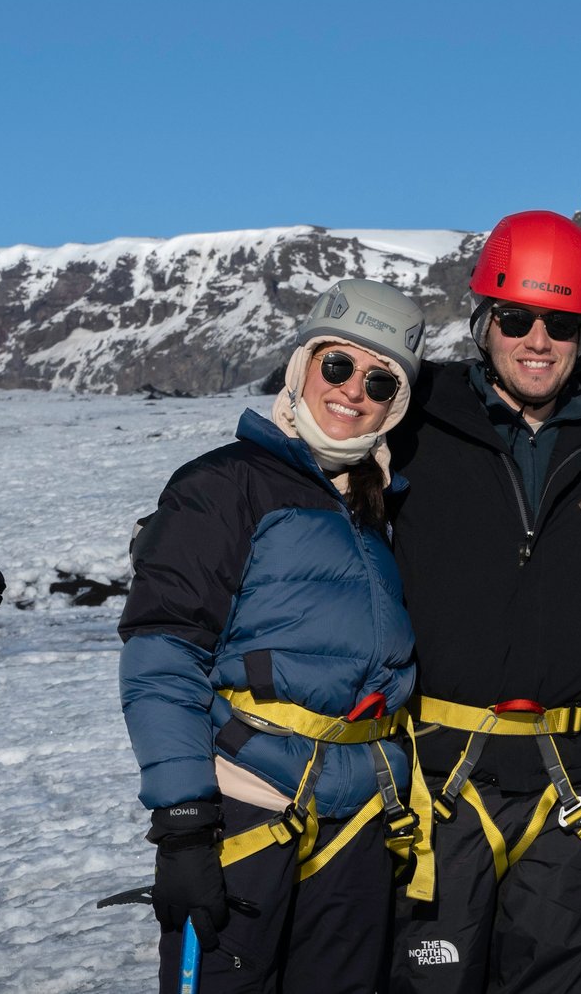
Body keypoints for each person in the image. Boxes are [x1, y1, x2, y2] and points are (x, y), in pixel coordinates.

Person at [118, 279, 425, 993]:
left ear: (395, 404)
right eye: (337, 365)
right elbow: (164, 652)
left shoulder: (378, 510)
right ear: (302, 366)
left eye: (380, 380)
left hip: (360, 820)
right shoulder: (224, 485)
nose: (354, 391)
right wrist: (184, 819)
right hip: (248, 808)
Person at [387, 210, 581, 994]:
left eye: (561, 324)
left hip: (569, 777)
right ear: (483, 321)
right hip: (440, 776)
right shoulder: (416, 419)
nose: (539, 340)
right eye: (516, 318)